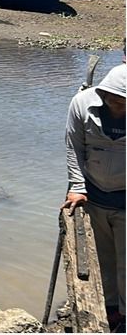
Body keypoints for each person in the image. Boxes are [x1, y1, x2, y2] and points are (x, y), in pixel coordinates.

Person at [63, 63, 125, 332]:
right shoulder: (81, 104)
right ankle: (111, 311)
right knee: (103, 259)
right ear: (102, 95)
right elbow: (73, 146)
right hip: (95, 196)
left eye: (123, 103)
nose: (118, 107)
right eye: (113, 100)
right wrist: (77, 186)